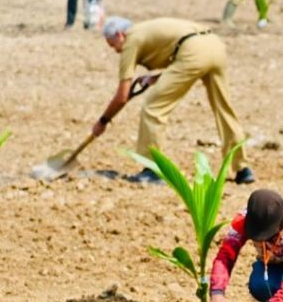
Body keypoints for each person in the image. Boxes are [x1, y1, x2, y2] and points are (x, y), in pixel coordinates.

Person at [94, 17, 253, 185]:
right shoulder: (145, 29)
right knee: (224, 110)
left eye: (113, 45)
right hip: (214, 45)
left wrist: (103, 121)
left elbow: (122, 96)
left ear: (119, 35)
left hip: (192, 53)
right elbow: (181, 49)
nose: (116, 51)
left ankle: (152, 169)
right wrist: (158, 77)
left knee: (153, 108)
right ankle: (242, 169)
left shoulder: (131, 41)